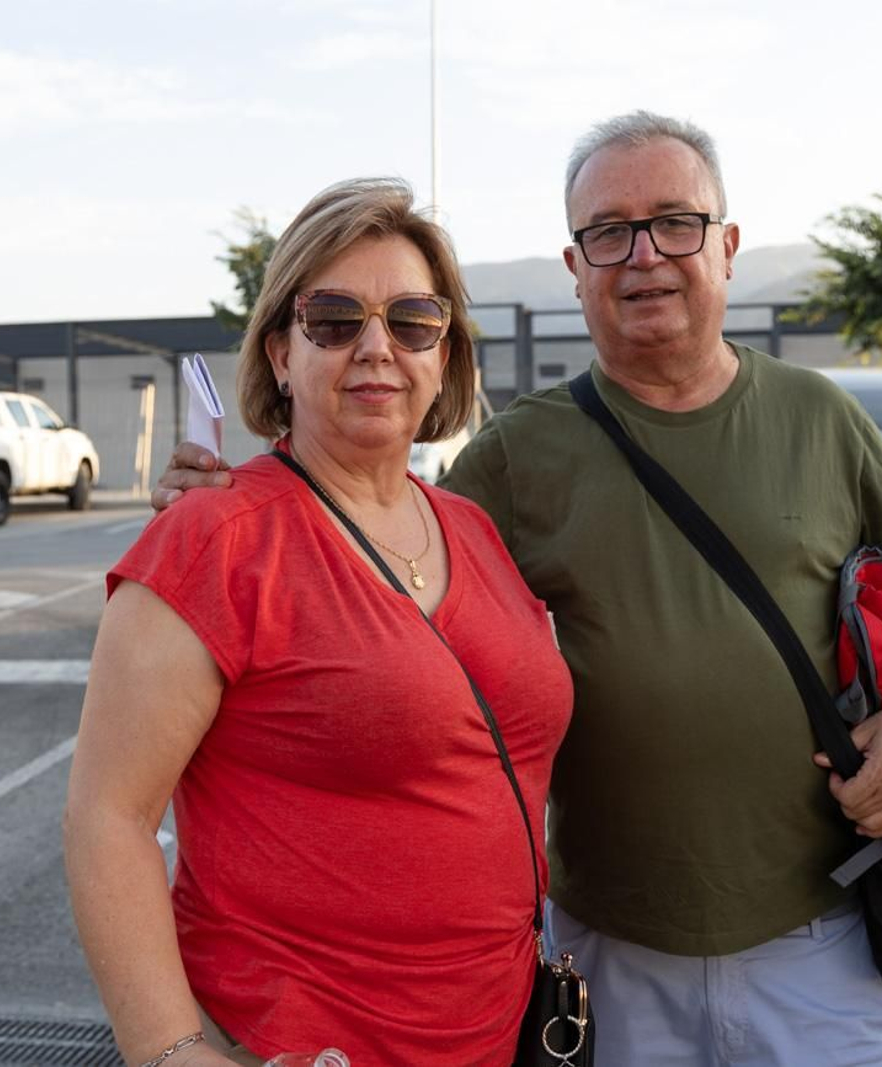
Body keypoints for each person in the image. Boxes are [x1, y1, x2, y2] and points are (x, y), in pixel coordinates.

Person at [155, 112, 882, 1066]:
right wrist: (220, 509)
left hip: (819, 938)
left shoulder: (821, 416)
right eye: (609, 232)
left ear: (727, 247)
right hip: (607, 953)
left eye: (675, 222)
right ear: (575, 266)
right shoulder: (517, 454)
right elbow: (356, 526)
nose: (644, 255)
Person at [65, 177, 573, 1067]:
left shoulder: (473, 529)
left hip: (501, 1035)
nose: (377, 347)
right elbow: (107, 816)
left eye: (413, 321)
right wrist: (172, 1050)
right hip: (298, 1044)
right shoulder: (214, 537)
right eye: (334, 320)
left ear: (444, 355)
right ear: (279, 354)